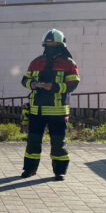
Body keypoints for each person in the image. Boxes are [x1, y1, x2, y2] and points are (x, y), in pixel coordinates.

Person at [20, 29, 80, 181]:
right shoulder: (36, 61)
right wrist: (32, 84)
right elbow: (24, 80)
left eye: (53, 44)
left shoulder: (68, 63)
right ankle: (29, 170)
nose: (50, 47)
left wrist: (53, 87)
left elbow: (73, 84)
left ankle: (60, 172)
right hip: (36, 110)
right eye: (48, 44)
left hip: (58, 112)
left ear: (60, 45)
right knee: (33, 142)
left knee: (58, 143)